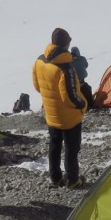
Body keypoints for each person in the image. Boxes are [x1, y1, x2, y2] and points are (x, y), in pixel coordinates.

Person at [32, 28, 88, 189]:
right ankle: (72, 180)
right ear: (66, 44)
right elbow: (70, 97)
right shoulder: (66, 68)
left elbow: (37, 86)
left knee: (54, 146)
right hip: (69, 118)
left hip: (51, 114)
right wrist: (82, 104)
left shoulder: (39, 61)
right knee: (71, 149)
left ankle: (56, 177)